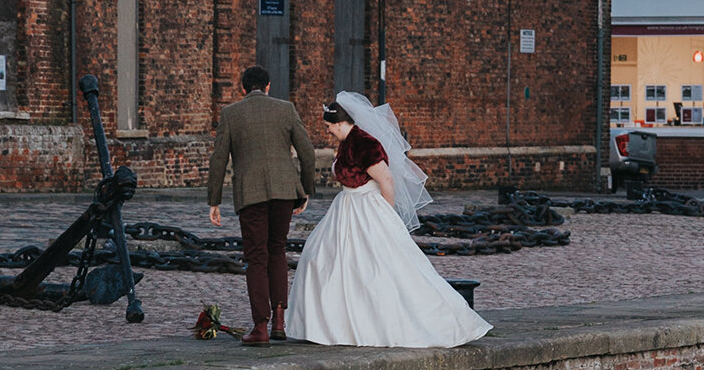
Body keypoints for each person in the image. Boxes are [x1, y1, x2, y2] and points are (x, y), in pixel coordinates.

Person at [286, 89, 491, 348]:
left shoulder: (364, 144)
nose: (327, 131)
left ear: (340, 123)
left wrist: (386, 215)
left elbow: (387, 180)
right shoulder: (347, 141)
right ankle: (331, 326)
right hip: (346, 208)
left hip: (367, 208)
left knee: (375, 268)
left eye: (329, 126)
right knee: (321, 259)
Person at [205, 66, 319, 347]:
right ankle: (280, 321)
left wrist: (214, 200)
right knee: (277, 250)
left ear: (243, 89)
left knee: (256, 257)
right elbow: (307, 153)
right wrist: (305, 191)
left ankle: (261, 327)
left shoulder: (231, 114)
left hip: (251, 195)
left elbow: (218, 159)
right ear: (268, 86)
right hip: (284, 192)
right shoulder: (286, 109)